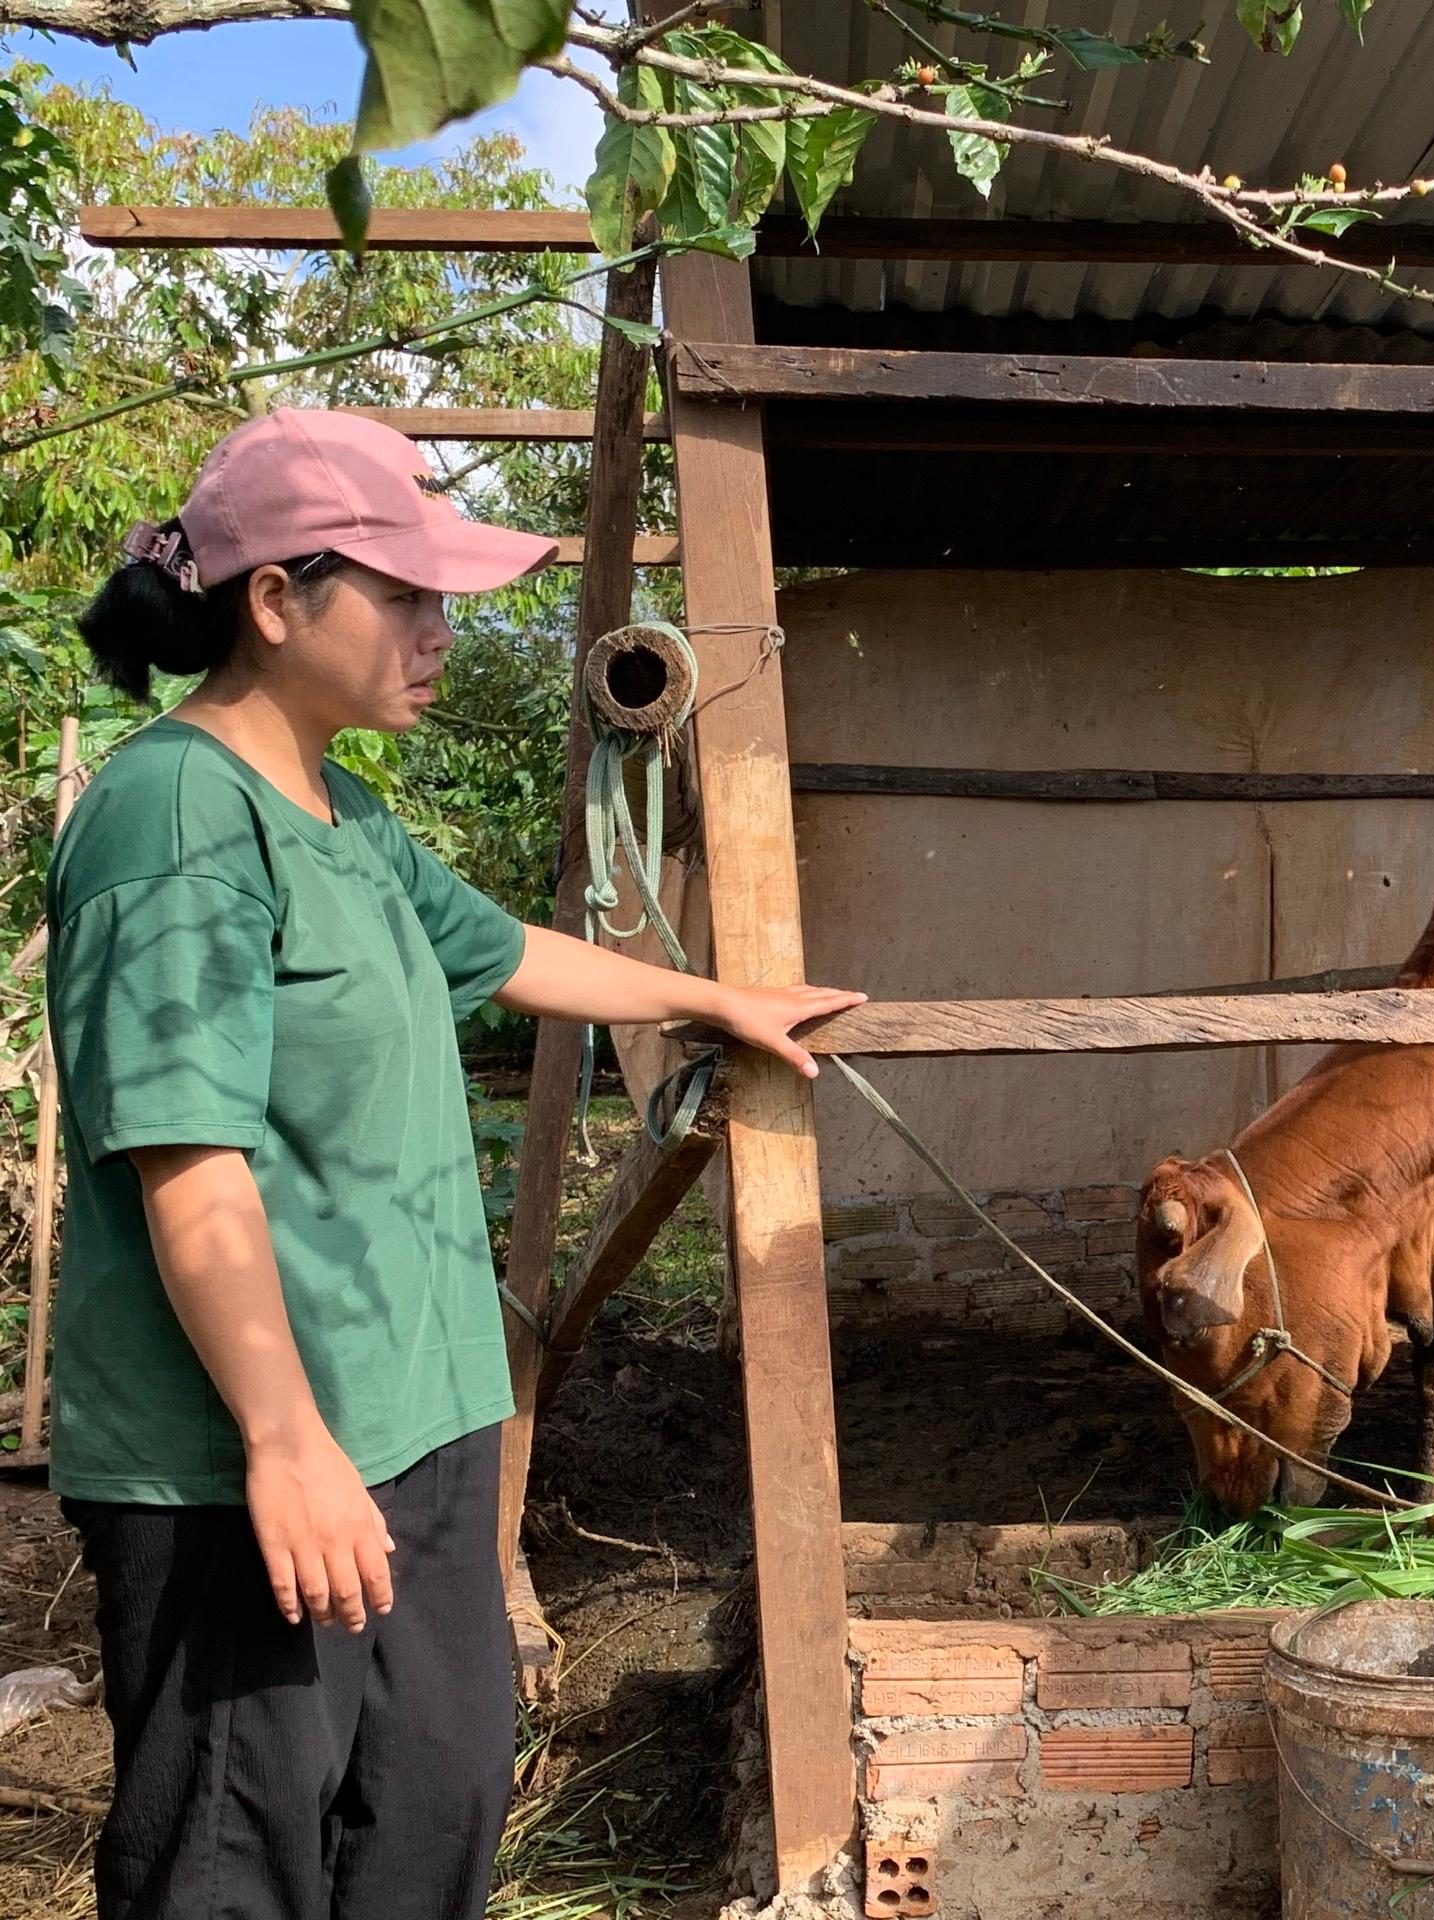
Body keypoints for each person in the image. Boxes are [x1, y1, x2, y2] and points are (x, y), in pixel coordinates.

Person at [43, 408, 864, 1920]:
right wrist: (285, 1445)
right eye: (406, 593)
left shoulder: (343, 815)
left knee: (432, 1811)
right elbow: (186, 1161)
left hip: (419, 1423)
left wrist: (711, 999)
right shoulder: (174, 812)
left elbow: (509, 954)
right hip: (250, 1465)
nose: (439, 629)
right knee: (239, 1856)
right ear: (277, 603)